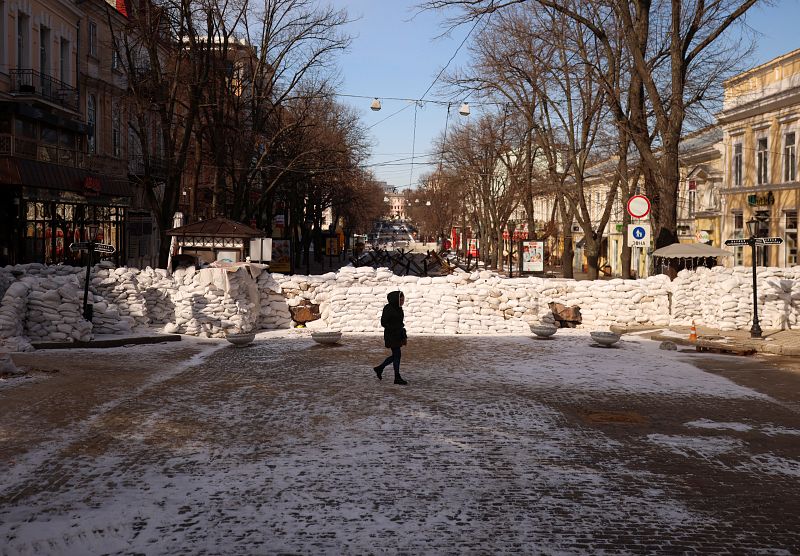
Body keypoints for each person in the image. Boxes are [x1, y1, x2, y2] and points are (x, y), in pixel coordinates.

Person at [373, 291, 408, 385]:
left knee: (396, 355)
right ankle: (396, 377)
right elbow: (383, 322)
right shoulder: (388, 308)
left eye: (403, 299)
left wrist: (402, 333)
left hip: (398, 334)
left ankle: (380, 368)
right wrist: (394, 328)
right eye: (401, 299)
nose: (402, 301)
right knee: (397, 355)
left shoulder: (399, 308)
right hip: (391, 335)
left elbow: (399, 322)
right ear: (396, 299)